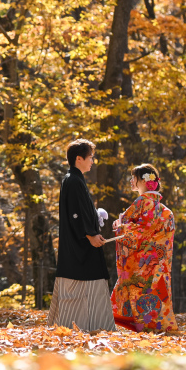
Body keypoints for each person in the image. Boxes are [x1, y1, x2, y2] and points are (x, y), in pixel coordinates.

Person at [47, 139, 116, 331]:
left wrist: (94, 222)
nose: (93, 161)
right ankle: (77, 326)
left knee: (86, 284)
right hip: (80, 244)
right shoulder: (73, 181)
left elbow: (81, 211)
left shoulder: (75, 179)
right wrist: (90, 234)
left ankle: (92, 325)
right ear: (79, 158)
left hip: (81, 241)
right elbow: (75, 213)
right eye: (90, 157)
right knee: (79, 284)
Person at [111, 163, 177, 332]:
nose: (131, 181)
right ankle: (158, 325)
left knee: (135, 289)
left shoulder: (142, 202)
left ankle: (134, 325)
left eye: (134, 178)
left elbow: (136, 231)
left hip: (140, 263)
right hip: (159, 264)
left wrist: (120, 226)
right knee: (157, 291)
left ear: (143, 181)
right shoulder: (165, 211)